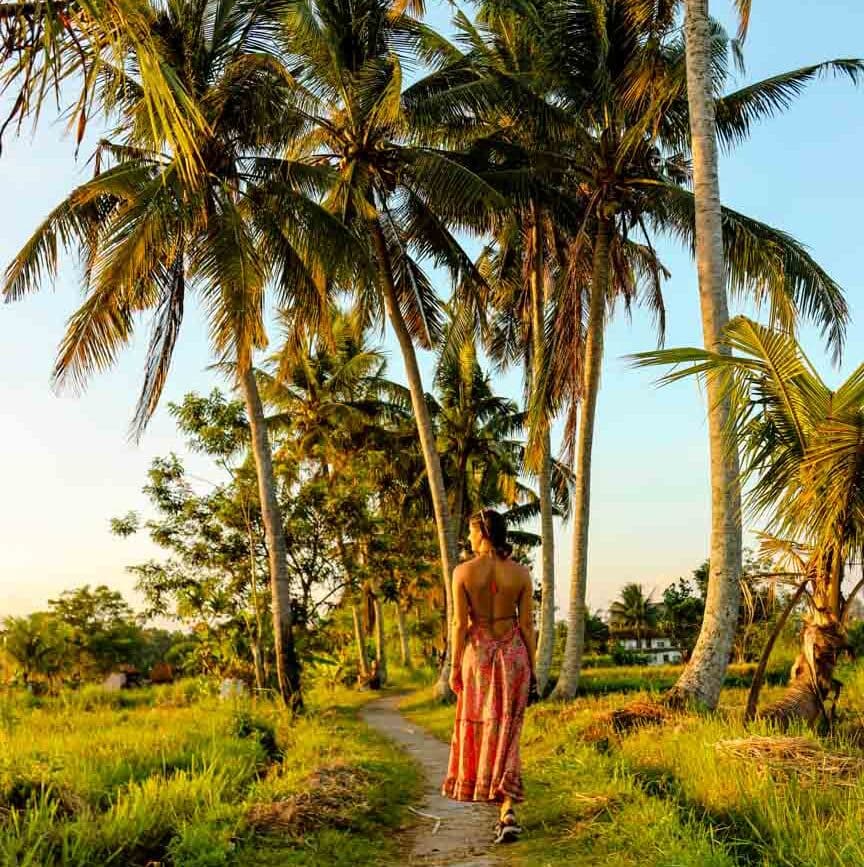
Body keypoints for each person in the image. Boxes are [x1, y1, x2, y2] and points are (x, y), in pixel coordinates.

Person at [441, 508, 536, 844]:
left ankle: (500, 803)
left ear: (482, 532)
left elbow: (460, 624)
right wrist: (533, 668)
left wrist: (454, 667)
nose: (469, 537)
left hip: (478, 656)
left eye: (471, 531)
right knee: (509, 730)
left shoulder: (463, 572)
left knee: (486, 728)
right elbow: (526, 625)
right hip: (513, 656)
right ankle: (507, 809)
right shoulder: (521, 574)